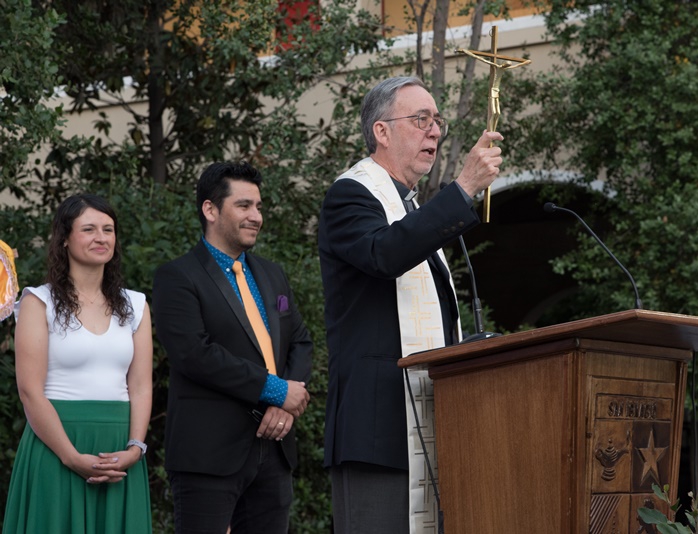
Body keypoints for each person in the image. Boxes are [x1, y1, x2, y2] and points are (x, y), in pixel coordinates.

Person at [318, 76, 504, 533]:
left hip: (430, 418)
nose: (434, 130)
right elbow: (384, 255)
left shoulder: (409, 207)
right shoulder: (350, 195)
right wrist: (463, 188)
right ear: (381, 131)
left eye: (437, 121)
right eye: (421, 119)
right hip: (378, 428)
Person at [152, 161, 312, 533]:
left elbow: (301, 340)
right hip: (208, 454)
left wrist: (285, 405)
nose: (256, 216)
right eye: (244, 206)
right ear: (210, 210)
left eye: (258, 206)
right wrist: (276, 390)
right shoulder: (177, 277)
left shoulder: (272, 273)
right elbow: (195, 354)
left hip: (275, 448)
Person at [3, 194, 153, 533]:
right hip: (56, 445)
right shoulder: (38, 302)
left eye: (108, 229)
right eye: (89, 229)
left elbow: (141, 386)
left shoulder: (136, 305)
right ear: (65, 238)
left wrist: (135, 448)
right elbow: (30, 392)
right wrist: (71, 457)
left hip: (119, 450)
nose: (101, 237)